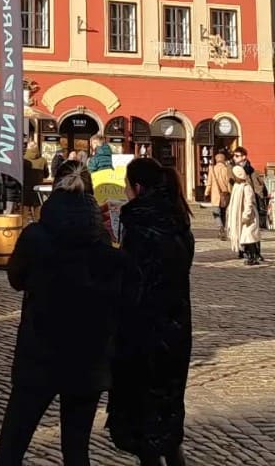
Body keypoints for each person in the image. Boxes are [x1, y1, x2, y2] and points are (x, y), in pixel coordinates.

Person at [0, 161, 122, 466]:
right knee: (77, 449)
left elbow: (16, 279)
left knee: (14, 442)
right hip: (88, 356)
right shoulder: (103, 242)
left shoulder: (36, 235)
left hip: (40, 350)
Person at [107, 158, 194, 466]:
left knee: (144, 426)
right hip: (176, 331)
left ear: (138, 188)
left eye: (127, 186)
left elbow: (132, 285)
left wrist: (113, 252)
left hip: (144, 336)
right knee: (167, 424)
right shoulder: (178, 219)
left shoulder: (141, 226)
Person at [229, 164, 261, 265]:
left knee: (249, 237)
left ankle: (253, 257)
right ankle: (250, 256)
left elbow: (249, 203)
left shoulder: (247, 187)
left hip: (248, 217)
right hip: (239, 216)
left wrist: (246, 215)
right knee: (244, 237)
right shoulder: (236, 186)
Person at [232, 145, 269, 231]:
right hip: (238, 198)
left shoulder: (251, 169)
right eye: (234, 156)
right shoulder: (233, 168)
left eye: (237, 156)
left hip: (250, 199)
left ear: (244, 156)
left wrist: (259, 193)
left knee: (249, 228)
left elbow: (258, 184)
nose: (234, 158)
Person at [204, 151, 232, 240]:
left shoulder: (212, 169)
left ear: (216, 160)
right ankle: (223, 229)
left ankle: (220, 228)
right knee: (223, 213)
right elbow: (229, 183)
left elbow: (209, 183)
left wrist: (206, 193)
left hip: (216, 196)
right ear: (223, 160)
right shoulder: (226, 169)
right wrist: (230, 192)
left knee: (216, 213)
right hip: (225, 194)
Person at [22, 139, 47, 218]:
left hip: (26, 189)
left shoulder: (23, 160)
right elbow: (46, 174)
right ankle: (37, 228)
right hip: (38, 189)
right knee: (38, 214)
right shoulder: (43, 160)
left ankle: (24, 229)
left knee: (24, 214)